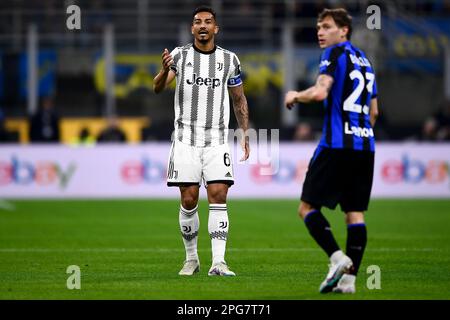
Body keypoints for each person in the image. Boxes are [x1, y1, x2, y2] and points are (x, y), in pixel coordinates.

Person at [284, 8, 379, 294]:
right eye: (318, 27)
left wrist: (295, 96)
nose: (320, 32)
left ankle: (337, 258)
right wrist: (360, 131)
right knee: (355, 214)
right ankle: (349, 282)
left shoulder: (334, 54)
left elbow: (321, 92)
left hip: (336, 145)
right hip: (365, 146)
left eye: (326, 26)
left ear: (344, 31)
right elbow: (375, 111)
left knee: (306, 208)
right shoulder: (366, 62)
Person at [153, 6, 250, 277]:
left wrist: (244, 132)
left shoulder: (230, 60)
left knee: (219, 195)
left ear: (216, 28)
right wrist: (163, 71)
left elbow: (239, 98)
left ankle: (218, 263)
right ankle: (191, 259)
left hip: (217, 141)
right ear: (192, 28)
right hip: (185, 140)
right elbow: (158, 87)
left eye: (208, 22)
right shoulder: (179, 55)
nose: (203, 26)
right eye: (198, 22)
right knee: (189, 198)